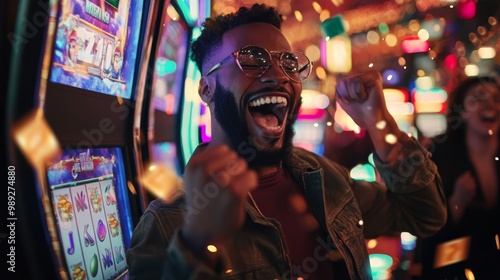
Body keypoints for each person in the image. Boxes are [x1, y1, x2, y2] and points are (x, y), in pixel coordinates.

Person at [126, 4, 446, 279]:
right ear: (206, 89)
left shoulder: (324, 178)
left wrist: (380, 123)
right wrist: (197, 244)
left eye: (289, 63)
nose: (279, 74)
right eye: (251, 59)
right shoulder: (169, 223)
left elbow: (424, 216)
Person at [411, 76, 500, 280]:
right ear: (462, 112)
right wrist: (458, 201)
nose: (490, 105)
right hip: (453, 266)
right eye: (478, 99)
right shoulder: (438, 157)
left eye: (496, 98)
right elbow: (427, 230)